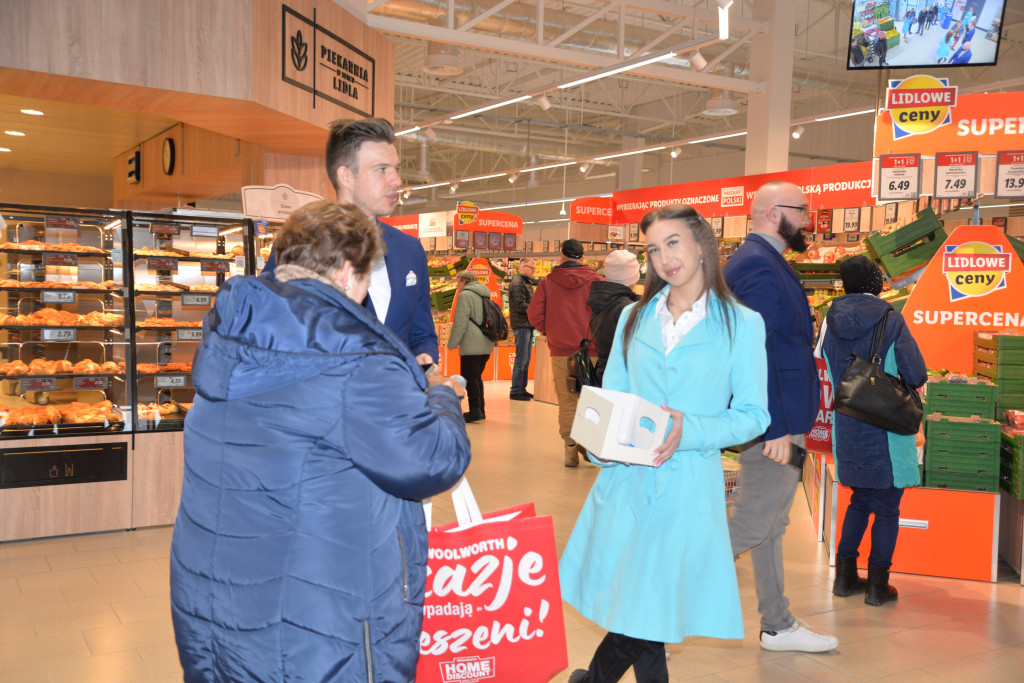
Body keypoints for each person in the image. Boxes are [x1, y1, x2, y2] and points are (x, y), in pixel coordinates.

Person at [170, 201, 472, 682]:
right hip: (320, 614)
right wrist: (440, 397)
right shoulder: (354, 358)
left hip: (216, 595)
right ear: (348, 271)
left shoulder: (232, 336)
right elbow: (432, 461)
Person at [560, 205, 770, 683]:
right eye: (654, 249)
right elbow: (611, 397)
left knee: (645, 606)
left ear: (702, 244)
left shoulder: (742, 323)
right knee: (643, 607)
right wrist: (598, 446)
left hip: (686, 486)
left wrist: (690, 430)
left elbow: (754, 415)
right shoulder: (635, 315)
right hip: (627, 483)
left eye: (673, 242)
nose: (664, 258)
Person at [723, 181, 839, 653]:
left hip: (780, 417)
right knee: (753, 524)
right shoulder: (755, 265)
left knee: (771, 525)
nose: (809, 220)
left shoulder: (763, 260)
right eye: (803, 211)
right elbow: (749, 350)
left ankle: (777, 623)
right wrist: (771, 427)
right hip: (773, 421)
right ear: (774, 212)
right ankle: (654, 609)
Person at [264, 118, 438, 366]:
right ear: (346, 176)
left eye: (396, 169)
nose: (396, 180)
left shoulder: (410, 249)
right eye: (381, 169)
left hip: (397, 399)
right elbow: (270, 328)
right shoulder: (302, 244)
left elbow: (422, 333)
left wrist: (425, 356)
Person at [821, 256, 927, 607]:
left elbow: (822, 365)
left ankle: (844, 577)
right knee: (887, 507)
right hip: (886, 423)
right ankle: (877, 586)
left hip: (848, 421)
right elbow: (915, 373)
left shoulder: (828, 320)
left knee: (859, 499)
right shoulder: (891, 318)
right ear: (875, 281)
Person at [528, 238, 604, 467]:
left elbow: (534, 315)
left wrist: (551, 330)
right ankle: (589, 446)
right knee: (591, 400)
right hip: (591, 349)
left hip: (561, 351)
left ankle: (570, 448)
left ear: (562, 255)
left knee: (568, 400)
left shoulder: (547, 282)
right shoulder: (597, 281)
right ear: (583, 256)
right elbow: (603, 313)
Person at [586, 249, 641, 386]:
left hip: (604, 373)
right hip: (623, 379)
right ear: (634, 277)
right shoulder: (627, 308)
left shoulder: (600, 301)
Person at [447, 269, 496, 422]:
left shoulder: (465, 296)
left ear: (464, 281)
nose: (457, 286)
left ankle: (475, 410)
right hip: (487, 342)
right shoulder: (486, 294)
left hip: (471, 343)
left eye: (458, 282)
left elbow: (460, 322)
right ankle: (480, 409)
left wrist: (452, 343)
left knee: (469, 377)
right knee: (476, 377)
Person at [508, 257, 537, 401]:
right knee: (521, 359)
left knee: (526, 359)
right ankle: (516, 391)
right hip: (521, 325)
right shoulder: (518, 283)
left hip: (527, 325)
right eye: (532, 268)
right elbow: (520, 305)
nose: (534, 270)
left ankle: (522, 388)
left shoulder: (525, 282)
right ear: (523, 267)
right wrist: (536, 309)